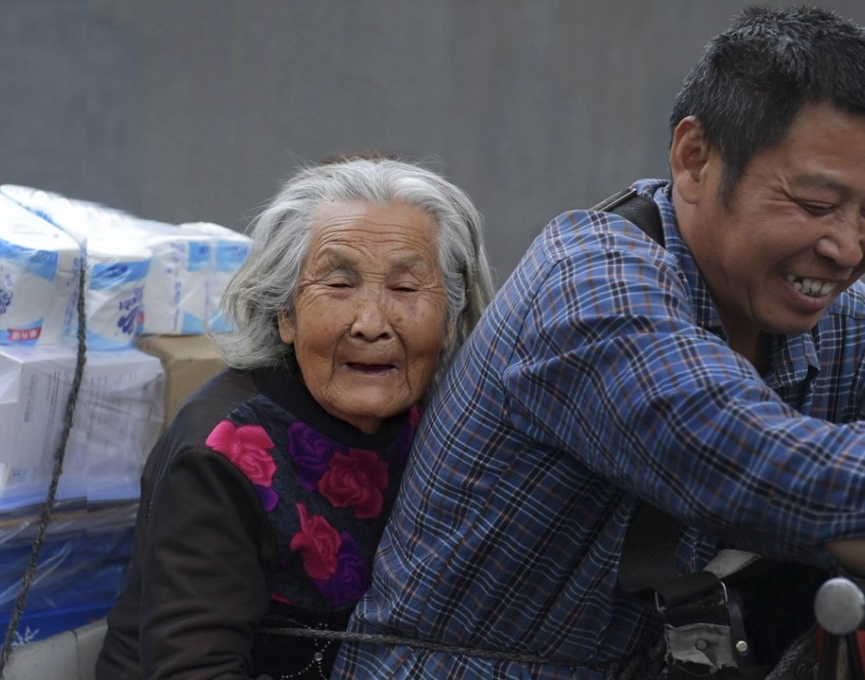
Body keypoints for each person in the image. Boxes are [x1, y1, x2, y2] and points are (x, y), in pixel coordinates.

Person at [334, 7, 865, 679]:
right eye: (816, 205)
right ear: (694, 158)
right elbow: (763, 468)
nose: (846, 248)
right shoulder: (589, 289)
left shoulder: (816, 314)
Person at [95, 155, 494, 679]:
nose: (371, 324)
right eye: (338, 284)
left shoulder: (442, 423)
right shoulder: (222, 454)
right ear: (285, 313)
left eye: (405, 288)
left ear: (448, 320)